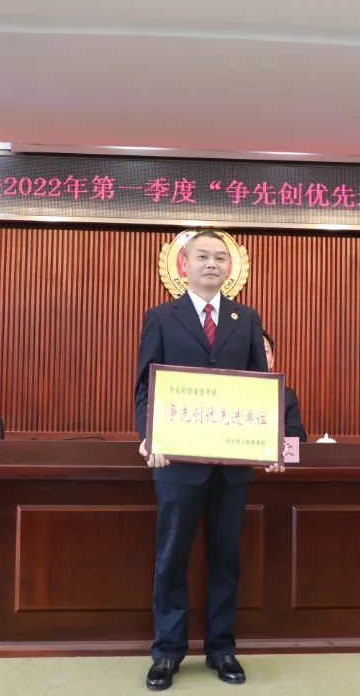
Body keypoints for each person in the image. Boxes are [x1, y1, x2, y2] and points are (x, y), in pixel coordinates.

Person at [135, 230, 284, 691]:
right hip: (178, 463)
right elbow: (145, 388)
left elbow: (261, 388)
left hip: (232, 465)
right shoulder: (161, 317)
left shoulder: (247, 319)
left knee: (226, 558)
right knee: (171, 557)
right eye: (203, 256)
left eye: (221, 257)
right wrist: (149, 436)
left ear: (230, 267)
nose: (212, 264)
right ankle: (167, 652)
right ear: (185, 264)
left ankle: (222, 649)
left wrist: (270, 444)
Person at [262, 330, 307, 441]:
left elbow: (299, 439)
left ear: (272, 361)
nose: (260, 356)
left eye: (265, 351)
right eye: (255, 351)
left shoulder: (286, 396)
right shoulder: (231, 393)